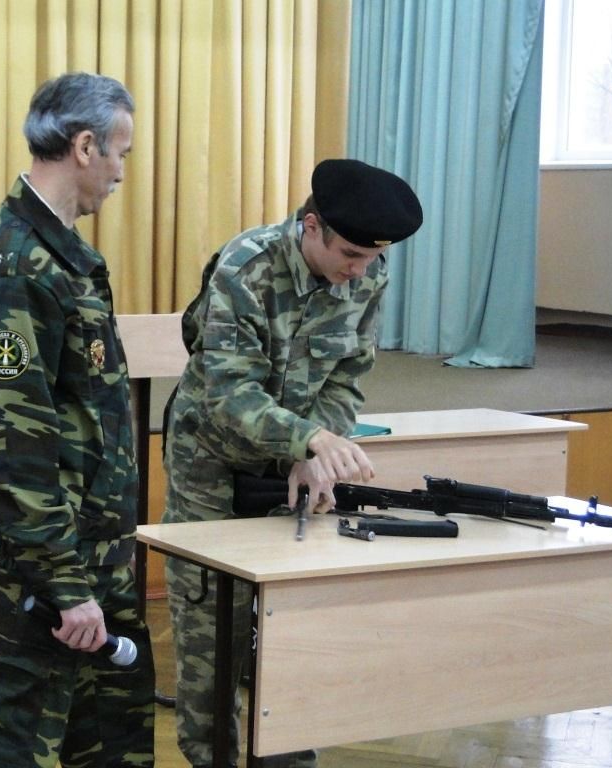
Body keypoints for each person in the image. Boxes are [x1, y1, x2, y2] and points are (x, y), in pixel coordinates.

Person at [162, 159, 423, 768]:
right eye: (351, 254)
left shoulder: (367, 272)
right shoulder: (246, 268)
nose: (360, 271)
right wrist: (309, 440)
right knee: (212, 632)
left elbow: (347, 375)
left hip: (293, 464)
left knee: (290, 630)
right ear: (311, 226)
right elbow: (230, 394)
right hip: (210, 461)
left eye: (374, 258)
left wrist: (314, 453)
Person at [0, 72, 155, 768]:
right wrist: (62, 583)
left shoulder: (59, 254)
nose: (121, 173)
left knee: (112, 747)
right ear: (85, 147)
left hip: (92, 559)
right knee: (2, 748)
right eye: (120, 153)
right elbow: (9, 447)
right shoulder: (23, 266)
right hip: (48, 579)